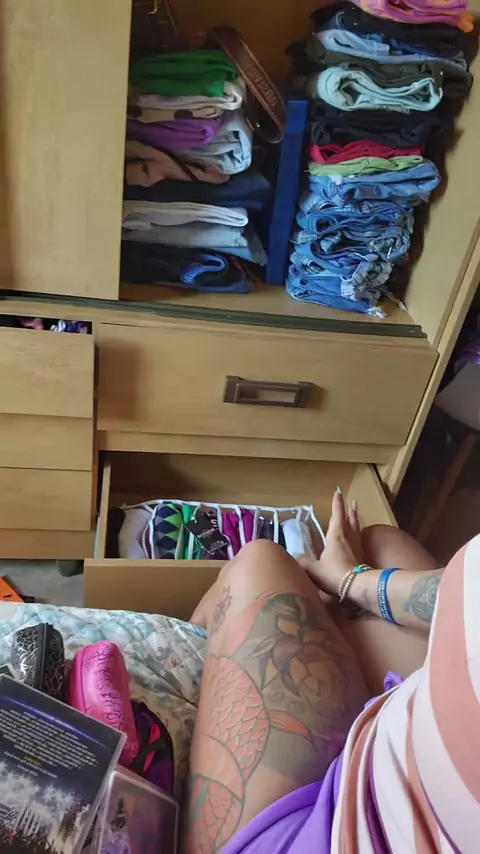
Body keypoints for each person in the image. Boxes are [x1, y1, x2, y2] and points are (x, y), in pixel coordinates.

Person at [185, 489, 479, 854]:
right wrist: (350, 580)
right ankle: (323, 596)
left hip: (312, 838)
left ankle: (192, 641)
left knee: (260, 559)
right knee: (381, 543)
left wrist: (349, 581)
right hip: (417, 741)